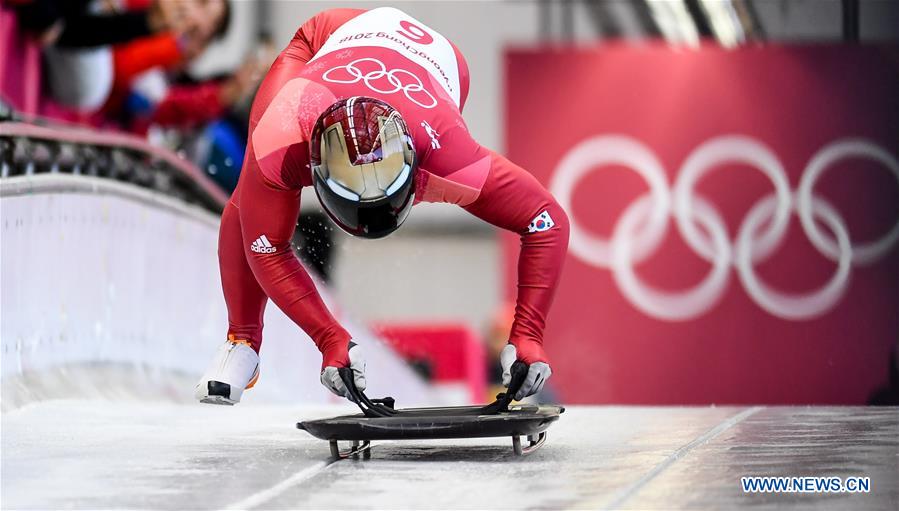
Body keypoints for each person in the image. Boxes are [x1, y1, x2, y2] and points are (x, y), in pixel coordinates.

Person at [195, 7, 569, 405]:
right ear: (314, 167)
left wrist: (528, 334)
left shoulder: (450, 155)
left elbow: (547, 221)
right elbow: (266, 247)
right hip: (326, 40)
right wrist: (328, 338)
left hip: (440, 63)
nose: (370, 215)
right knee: (249, 197)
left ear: (416, 169)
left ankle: (242, 340)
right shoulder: (284, 129)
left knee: (257, 192)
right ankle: (242, 341)